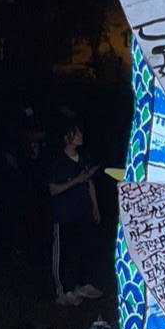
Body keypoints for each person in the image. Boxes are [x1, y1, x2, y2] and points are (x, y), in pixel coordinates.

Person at [46, 120, 103, 306]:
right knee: (64, 253)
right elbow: (53, 189)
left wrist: (95, 207)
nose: (80, 136)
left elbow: (89, 183)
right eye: (76, 133)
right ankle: (63, 291)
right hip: (64, 215)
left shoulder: (84, 158)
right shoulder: (58, 161)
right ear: (67, 137)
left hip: (83, 212)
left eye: (80, 132)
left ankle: (82, 285)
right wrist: (76, 181)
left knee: (83, 249)